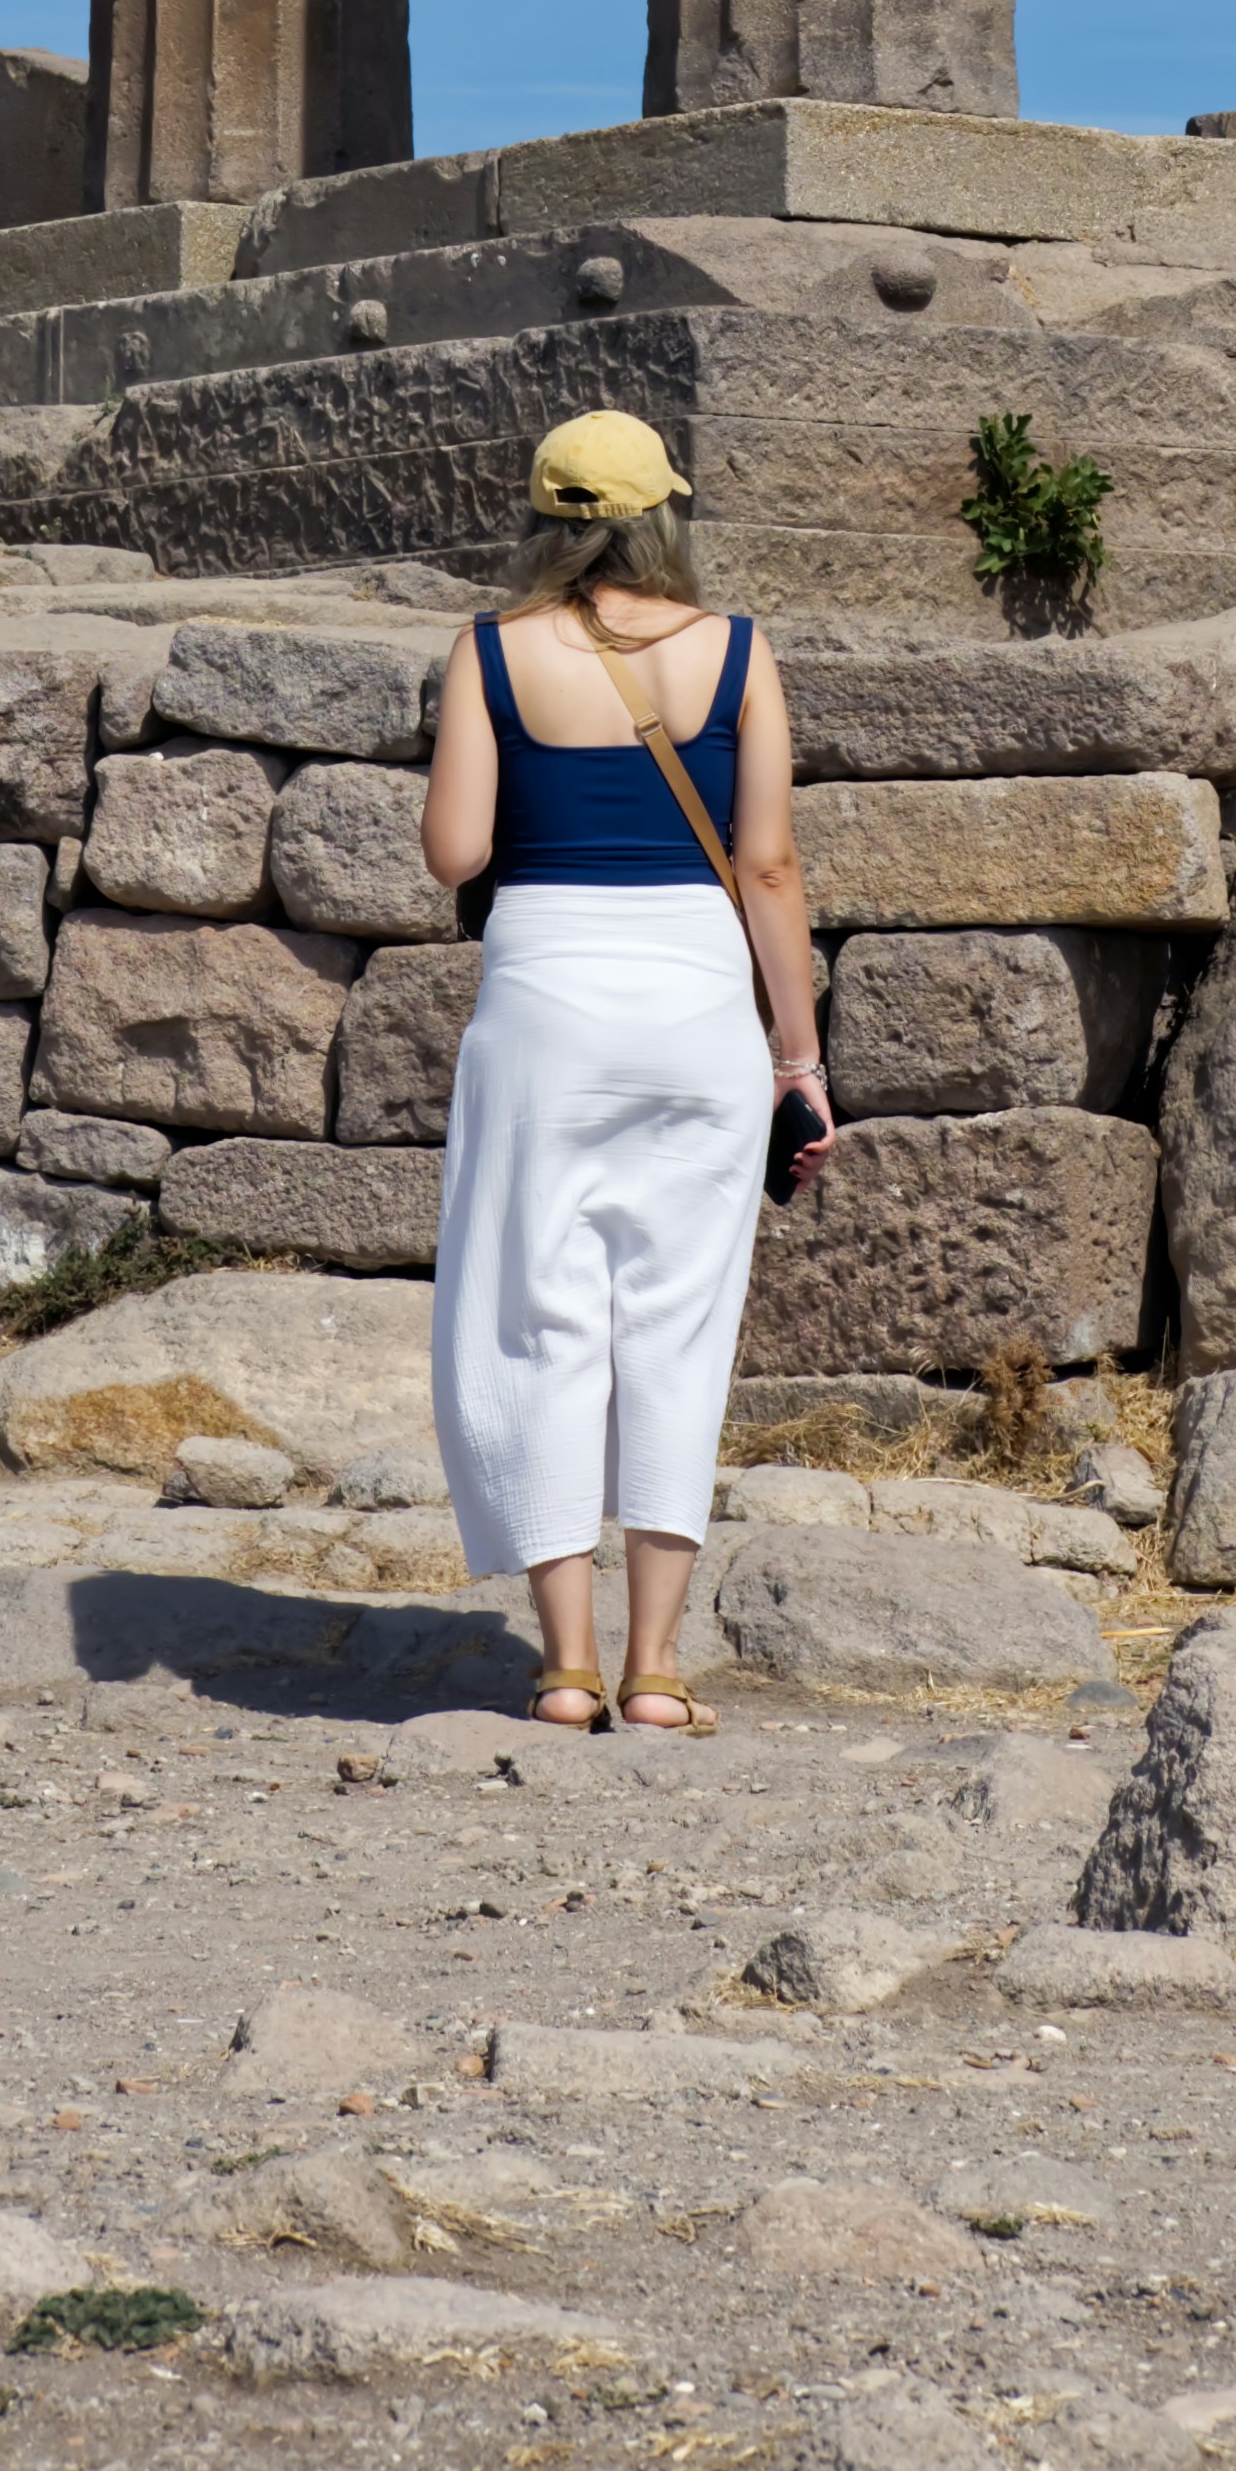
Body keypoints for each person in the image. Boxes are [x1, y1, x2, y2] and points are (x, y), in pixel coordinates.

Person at [418, 407, 832, 1731]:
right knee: (676, 1323)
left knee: (534, 1315)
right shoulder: (739, 651)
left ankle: (563, 1667)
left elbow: (454, 854)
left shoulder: (488, 651)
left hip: (544, 1004)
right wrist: (800, 1059)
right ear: (664, 514)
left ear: (544, 518)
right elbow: (769, 866)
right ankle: (656, 1669)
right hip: (699, 1006)